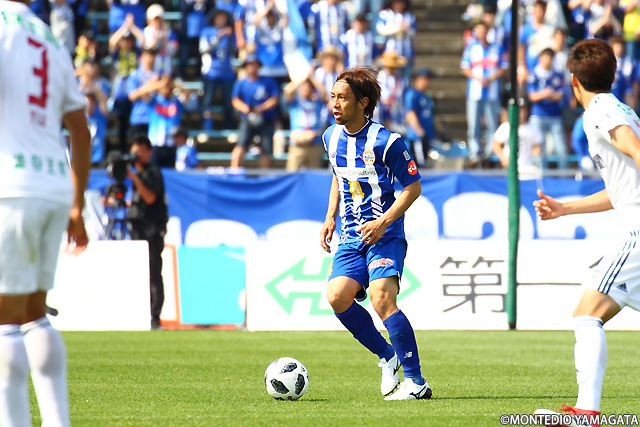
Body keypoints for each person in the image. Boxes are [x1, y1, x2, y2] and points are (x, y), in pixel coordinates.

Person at [534, 38, 640, 421]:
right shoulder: (620, 107)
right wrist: (565, 209)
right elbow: (621, 189)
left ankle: (586, 413)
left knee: (586, 313)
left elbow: (635, 150)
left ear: (573, 80)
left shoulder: (600, 110)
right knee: (589, 312)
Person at [0, 0, 91, 425]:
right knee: (35, 314)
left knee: (5, 321)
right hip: (53, 184)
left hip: (11, 184)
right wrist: (76, 203)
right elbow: (80, 130)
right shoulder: (49, 37)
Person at [320, 67, 432, 401]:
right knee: (337, 296)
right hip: (350, 236)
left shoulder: (388, 142)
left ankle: (416, 383)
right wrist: (329, 216)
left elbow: (413, 187)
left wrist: (383, 221)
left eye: (343, 98)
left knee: (382, 298)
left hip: (384, 234)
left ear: (363, 102)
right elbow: (339, 175)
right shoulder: (330, 137)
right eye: (333, 97)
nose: (335, 104)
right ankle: (387, 355)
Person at [127, 136, 169, 330]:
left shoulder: (153, 172)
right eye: (134, 151)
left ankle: (155, 316)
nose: (137, 155)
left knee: (153, 272)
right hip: (136, 227)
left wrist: (134, 178)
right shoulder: (137, 173)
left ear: (149, 152)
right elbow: (137, 202)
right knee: (138, 272)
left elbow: (150, 198)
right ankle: (138, 313)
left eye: (140, 151)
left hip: (151, 229)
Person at [461, 22, 508, 167]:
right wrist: (478, 78)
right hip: (474, 93)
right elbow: (465, 68)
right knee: (474, 124)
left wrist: (491, 78)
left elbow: (504, 66)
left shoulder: (497, 47)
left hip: (492, 93)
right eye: (479, 31)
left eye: (484, 31)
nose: (482, 33)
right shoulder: (471, 48)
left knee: (492, 124)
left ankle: (490, 152)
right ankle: (475, 152)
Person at [230, 54, 280, 169]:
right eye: (250, 64)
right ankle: (235, 172)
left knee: (267, 150)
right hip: (247, 118)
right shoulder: (241, 82)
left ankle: (264, 174)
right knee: (240, 145)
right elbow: (235, 100)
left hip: (266, 119)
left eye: (254, 64)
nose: (252, 67)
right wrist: (244, 108)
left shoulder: (268, 81)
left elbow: (275, 98)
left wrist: (262, 108)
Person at [527, 48, 568, 169]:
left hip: (554, 116)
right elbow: (532, 96)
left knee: (561, 149)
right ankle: (542, 176)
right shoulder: (534, 75)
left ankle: (564, 175)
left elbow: (561, 94)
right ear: (540, 58)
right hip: (538, 116)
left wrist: (548, 95)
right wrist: (545, 94)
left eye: (551, 57)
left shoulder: (557, 75)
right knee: (540, 150)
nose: (548, 60)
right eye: (546, 57)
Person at [199, 8, 236, 130]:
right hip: (211, 72)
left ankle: (229, 128)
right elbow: (203, 50)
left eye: (223, 17)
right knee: (208, 101)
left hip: (227, 73)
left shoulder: (230, 32)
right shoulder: (207, 31)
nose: (221, 20)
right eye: (219, 17)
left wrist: (229, 38)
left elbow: (234, 51)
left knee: (228, 102)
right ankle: (206, 128)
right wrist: (218, 38)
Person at [283, 75, 327, 171]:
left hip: (314, 143)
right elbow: (287, 90)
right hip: (298, 143)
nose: (305, 89)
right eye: (303, 87)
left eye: (308, 88)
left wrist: (311, 78)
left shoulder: (317, 102)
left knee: (314, 174)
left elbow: (323, 92)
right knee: (292, 173)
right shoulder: (295, 102)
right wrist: (304, 77)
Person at [491, 103, 542, 170]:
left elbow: (537, 146)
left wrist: (535, 155)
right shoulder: (506, 127)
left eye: (524, 110)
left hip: (527, 168)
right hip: (510, 168)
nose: (522, 113)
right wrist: (503, 158)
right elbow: (495, 145)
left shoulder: (533, 128)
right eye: (520, 110)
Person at [405, 68, 437, 168]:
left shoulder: (426, 96)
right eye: (425, 79)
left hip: (427, 136)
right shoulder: (413, 94)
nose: (428, 82)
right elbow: (410, 114)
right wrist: (420, 132)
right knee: (421, 166)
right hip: (417, 138)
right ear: (418, 79)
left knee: (427, 164)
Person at [148, 76, 183, 168]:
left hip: (172, 144)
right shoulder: (154, 100)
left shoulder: (177, 101)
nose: (166, 88)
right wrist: (160, 84)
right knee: (154, 171)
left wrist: (173, 84)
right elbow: (141, 92)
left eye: (168, 86)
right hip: (155, 144)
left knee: (170, 172)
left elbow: (187, 94)